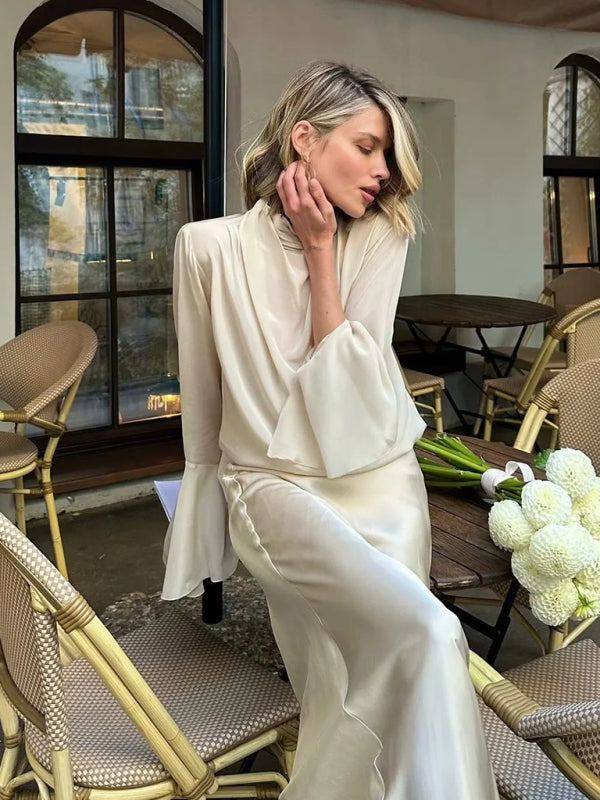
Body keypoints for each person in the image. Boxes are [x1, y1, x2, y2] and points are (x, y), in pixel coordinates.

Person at [162, 61, 499, 799]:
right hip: (272, 486)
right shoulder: (205, 246)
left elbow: (352, 392)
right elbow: (205, 400)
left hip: (378, 480)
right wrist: (205, 518)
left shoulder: (381, 235)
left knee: (388, 665)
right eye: (368, 147)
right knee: (428, 634)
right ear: (305, 138)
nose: (383, 172)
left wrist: (321, 253)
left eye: (389, 156)